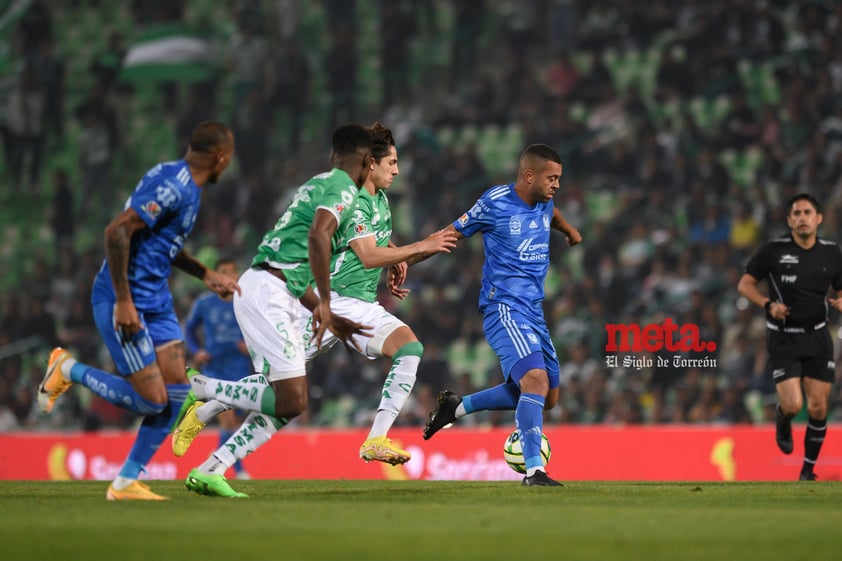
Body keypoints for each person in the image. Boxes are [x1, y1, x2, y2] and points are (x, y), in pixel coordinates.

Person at [172, 123, 458, 496]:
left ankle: (212, 456)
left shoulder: (373, 198)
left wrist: (399, 257)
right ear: (368, 162)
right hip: (330, 298)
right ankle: (204, 392)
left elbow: (373, 245)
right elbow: (359, 250)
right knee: (405, 349)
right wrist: (424, 245)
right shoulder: (348, 195)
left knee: (283, 399)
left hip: (322, 298)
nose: (397, 169)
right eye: (392, 161)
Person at [37, 121, 239, 500]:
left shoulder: (181, 183)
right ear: (220, 157)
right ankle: (68, 369)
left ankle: (126, 481)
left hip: (157, 299)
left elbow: (163, 243)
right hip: (124, 300)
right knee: (152, 400)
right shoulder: (176, 187)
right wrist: (125, 302)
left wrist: (204, 273)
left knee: (177, 391)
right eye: (229, 159)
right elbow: (117, 230)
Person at [422, 144, 582, 487]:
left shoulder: (544, 201)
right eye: (551, 178)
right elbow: (451, 233)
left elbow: (551, 214)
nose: (556, 185)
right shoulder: (495, 202)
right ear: (528, 175)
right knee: (535, 381)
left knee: (547, 398)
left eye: (559, 179)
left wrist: (567, 229)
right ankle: (534, 471)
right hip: (503, 308)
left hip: (533, 311)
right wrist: (407, 258)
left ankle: (457, 407)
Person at [737, 193, 842, 481]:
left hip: (819, 337)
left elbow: (840, 287)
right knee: (795, 405)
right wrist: (768, 305)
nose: (802, 218)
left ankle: (807, 471)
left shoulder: (832, 252)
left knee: (819, 406)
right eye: (796, 213)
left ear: (818, 218)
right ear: (789, 220)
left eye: (807, 212)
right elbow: (745, 284)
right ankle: (783, 418)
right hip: (784, 338)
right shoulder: (773, 250)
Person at [183, 256, 253, 480]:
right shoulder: (204, 304)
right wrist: (197, 351)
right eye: (222, 271)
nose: (227, 276)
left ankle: (216, 456)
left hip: (240, 366)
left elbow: (260, 328)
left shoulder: (245, 301)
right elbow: (189, 329)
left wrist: (250, 345)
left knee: (238, 420)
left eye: (231, 272)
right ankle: (235, 470)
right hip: (215, 367)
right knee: (229, 419)